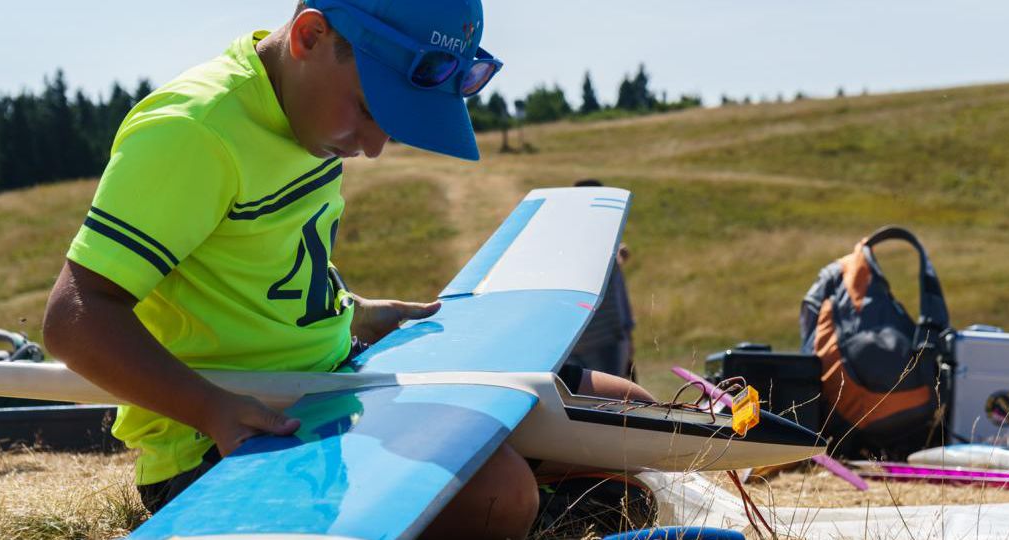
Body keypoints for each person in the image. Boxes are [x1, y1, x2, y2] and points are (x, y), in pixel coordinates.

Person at [40, 2, 649, 538]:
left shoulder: (310, 115)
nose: (375, 146)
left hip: (334, 384)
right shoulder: (193, 132)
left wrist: (355, 313)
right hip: (226, 437)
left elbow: (261, 269)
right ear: (311, 36)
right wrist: (210, 408)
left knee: (627, 412)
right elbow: (73, 319)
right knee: (501, 496)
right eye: (368, 109)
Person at [566, 179, 638, 381]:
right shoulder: (601, 238)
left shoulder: (565, 237)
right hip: (605, 338)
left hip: (573, 339)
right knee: (610, 395)